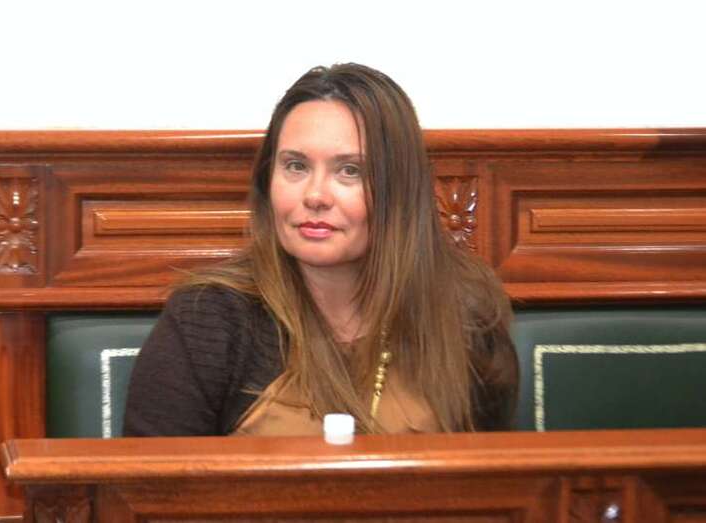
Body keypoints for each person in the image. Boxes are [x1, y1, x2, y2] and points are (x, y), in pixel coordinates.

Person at [123, 63, 518, 437]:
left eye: (350, 171)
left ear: (398, 191)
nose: (315, 196)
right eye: (296, 166)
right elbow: (151, 483)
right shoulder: (208, 319)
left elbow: (496, 476)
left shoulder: (464, 310)